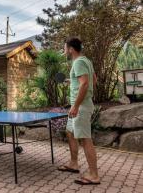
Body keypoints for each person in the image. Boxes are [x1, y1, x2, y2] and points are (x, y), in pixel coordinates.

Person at [58, 37, 100, 185]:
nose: (64, 50)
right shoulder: (86, 61)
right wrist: (72, 81)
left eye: (65, 48)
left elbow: (85, 84)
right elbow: (93, 80)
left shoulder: (78, 62)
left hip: (80, 106)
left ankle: (94, 175)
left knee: (85, 138)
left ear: (70, 49)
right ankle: (73, 163)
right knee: (70, 132)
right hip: (80, 104)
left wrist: (76, 105)